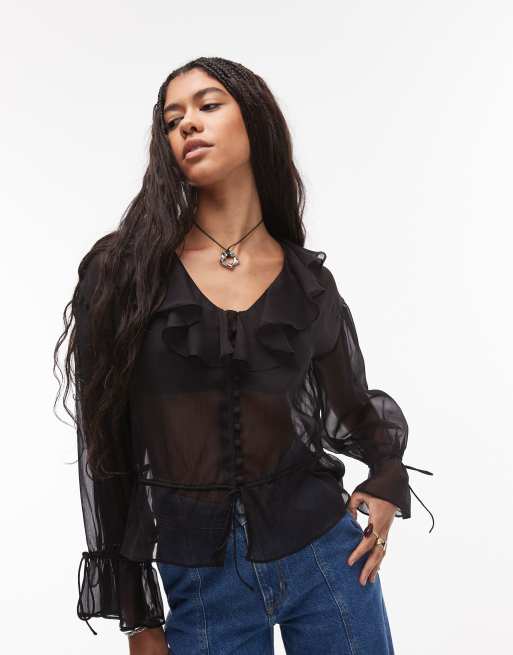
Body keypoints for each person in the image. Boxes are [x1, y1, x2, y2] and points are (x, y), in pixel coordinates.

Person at [54, 56, 434, 655]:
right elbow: (106, 449)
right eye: (172, 119)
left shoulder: (305, 281)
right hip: (203, 580)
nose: (187, 124)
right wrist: (138, 618)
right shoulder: (123, 272)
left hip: (327, 557)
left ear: (254, 120)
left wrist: (387, 480)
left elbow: (354, 407)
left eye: (208, 106)